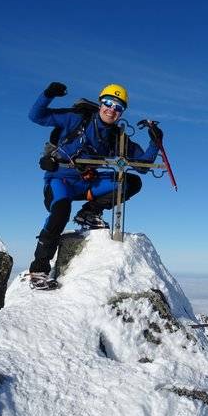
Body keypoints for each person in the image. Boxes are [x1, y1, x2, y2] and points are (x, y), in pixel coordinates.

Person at [26, 81, 162, 289]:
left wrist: (155, 143)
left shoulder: (117, 136)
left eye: (118, 107)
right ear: (100, 103)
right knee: (61, 211)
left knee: (130, 182)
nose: (111, 110)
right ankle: (39, 270)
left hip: (86, 182)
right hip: (60, 180)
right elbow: (37, 116)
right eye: (108, 103)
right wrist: (48, 94)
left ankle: (89, 213)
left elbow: (142, 166)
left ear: (122, 112)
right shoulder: (76, 119)